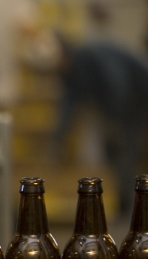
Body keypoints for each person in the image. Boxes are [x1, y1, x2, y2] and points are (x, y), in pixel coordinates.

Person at [53, 37, 148, 213]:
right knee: (112, 149)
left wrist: (116, 122)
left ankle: (128, 207)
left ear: (64, 54)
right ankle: (123, 200)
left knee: (127, 147)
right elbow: (68, 107)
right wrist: (58, 139)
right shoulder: (69, 72)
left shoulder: (90, 57)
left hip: (139, 92)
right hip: (120, 101)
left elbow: (118, 83)